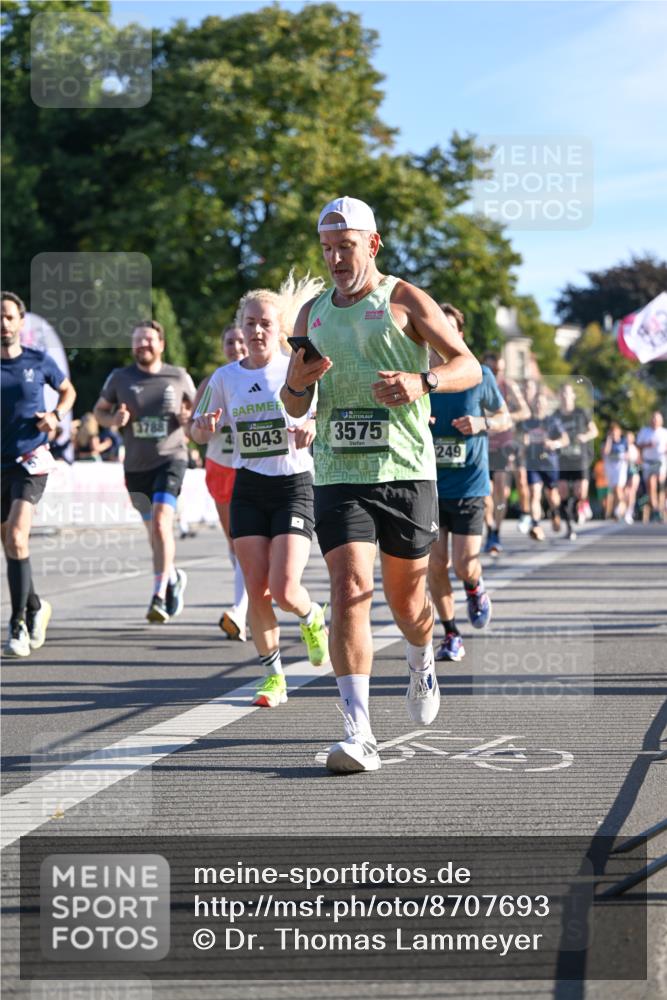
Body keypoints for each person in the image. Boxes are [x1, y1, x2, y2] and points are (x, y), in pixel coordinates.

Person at [281, 196, 482, 773]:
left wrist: (424, 381)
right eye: (327, 249)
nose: (336, 259)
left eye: (346, 248)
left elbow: (467, 363)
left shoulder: (404, 299)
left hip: (406, 471)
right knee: (347, 588)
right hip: (341, 472)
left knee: (406, 602)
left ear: (372, 245)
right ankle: (357, 731)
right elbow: (295, 403)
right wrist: (296, 381)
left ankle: (421, 657)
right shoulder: (312, 315)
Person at [191, 273, 330, 709]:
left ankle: (311, 617)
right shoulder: (225, 377)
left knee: (285, 589)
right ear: (241, 327)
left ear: (280, 327)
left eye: (265, 323)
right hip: (248, 485)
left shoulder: (298, 367)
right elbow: (196, 430)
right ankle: (274, 677)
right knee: (257, 590)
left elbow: (320, 414)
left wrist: (309, 427)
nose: (256, 331)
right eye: (249, 322)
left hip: (294, 485)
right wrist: (203, 426)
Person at [93, 320, 196, 622]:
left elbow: (196, 411)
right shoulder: (120, 377)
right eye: (138, 340)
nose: (143, 345)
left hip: (170, 458)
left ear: (161, 344)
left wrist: (189, 417)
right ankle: (174, 576)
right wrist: (115, 419)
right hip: (136, 467)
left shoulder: (178, 377)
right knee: (154, 532)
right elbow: (99, 411)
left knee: (163, 524)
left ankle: (159, 595)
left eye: (149, 340)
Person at [427, 304, 511, 662]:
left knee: (463, 564)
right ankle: (451, 633)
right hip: (427, 485)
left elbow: (504, 417)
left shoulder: (479, 374)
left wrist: (482, 425)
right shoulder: (418, 376)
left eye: (449, 329)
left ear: (458, 335)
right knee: (435, 564)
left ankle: (474, 588)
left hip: (469, 485)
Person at [1, 291, 76, 656]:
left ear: (20, 321)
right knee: (11, 543)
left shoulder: (37, 360)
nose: (3, 324)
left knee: (16, 535)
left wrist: (55, 416)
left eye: (8, 317)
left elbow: (67, 390)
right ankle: (35, 606)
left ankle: (17, 626)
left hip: (30, 460)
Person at [190, 324, 250, 640]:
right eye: (230, 341)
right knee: (234, 542)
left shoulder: (267, 375)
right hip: (220, 466)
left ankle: (240, 609)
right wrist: (204, 426)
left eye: (241, 340)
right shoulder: (213, 381)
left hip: (253, 466)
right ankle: (247, 599)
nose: (236, 346)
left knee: (245, 541)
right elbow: (194, 432)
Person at [481, 352, 531, 554]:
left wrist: (504, 417)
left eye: (500, 369)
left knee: (500, 487)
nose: (496, 373)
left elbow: (525, 411)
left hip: (502, 443)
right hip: (482, 443)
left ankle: (496, 532)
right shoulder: (478, 381)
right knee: (486, 494)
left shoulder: (508, 385)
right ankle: (489, 527)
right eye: (492, 369)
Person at [522, 392, 568, 541]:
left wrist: (555, 443)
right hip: (532, 462)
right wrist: (523, 443)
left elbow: (565, 439)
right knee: (534, 493)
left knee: (552, 495)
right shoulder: (527, 422)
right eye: (536, 402)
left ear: (546, 404)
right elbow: (519, 440)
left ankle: (554, 512)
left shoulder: (552, 421)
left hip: (549, 462)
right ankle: (536, 525)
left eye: (541, 402)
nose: (538, 405)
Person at [555, 382, 598, 539]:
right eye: (563, 394)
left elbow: (594, 431)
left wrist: (584, 436)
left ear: (573, 396)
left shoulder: (581, 412)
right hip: (563, 458)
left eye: (568, 393)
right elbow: (550, 435)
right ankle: (569, 527)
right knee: (563, 492)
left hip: (580, 458)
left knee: (581, 492)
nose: (565, 397)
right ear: (559, 397)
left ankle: (580, 507)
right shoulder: (556, 415)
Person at [636, 411, 667, 522]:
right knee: (651, 485)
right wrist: (647, 445)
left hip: (660, 461)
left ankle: (660, 508)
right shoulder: (645, 431)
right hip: (648, 461)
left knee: (659, 483)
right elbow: (638, 445)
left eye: (657, 419)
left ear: (661, 421)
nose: (654, 421)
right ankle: (655, 509)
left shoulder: (664, 432)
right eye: (653, 418)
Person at [602, 422, 629, 520]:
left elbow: (628, 454)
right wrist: (609, 439)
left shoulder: (623, 441)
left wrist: (623, 456)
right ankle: (618, 510)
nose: (614, 434)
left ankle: (621, 509)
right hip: (610, 468)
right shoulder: (606, 442)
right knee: (614, 490)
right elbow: (605, 452)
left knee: (618, 488)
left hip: (621, 468)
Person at [623, 431, 641, 524]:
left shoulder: (634, 449)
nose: (628, 439)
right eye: (626, 437)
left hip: (633, 471)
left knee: (631, 491)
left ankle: (630, 511)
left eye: (630, 437)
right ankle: (625, 511)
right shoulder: (622, 447)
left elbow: (637, 462)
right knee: (625, 492)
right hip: (624, 472)